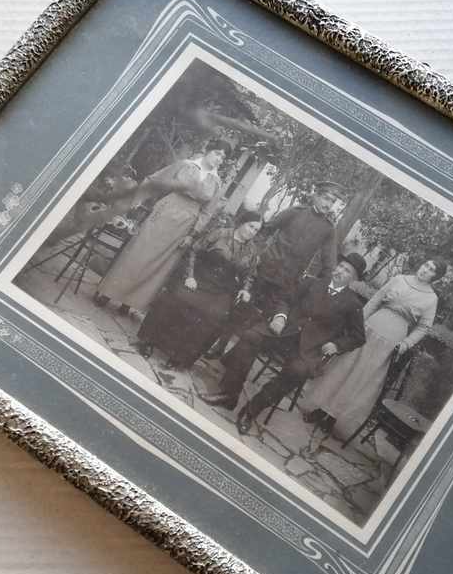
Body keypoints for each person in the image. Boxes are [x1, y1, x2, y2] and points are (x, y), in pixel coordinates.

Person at [202, 253, 368, 436]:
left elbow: (358, 336)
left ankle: (251, 411)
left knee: (297, 371)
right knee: (251, 336)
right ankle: (229, 394)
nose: (340, 271)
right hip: (283, 333)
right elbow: (286, 299)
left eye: (347, 271)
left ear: (353, 279)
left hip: (308, 349)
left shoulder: (352, 304)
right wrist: (281, 317)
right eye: (340, 266)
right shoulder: (312, 283)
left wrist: (337, 345)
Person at [303, 258, 445, 436]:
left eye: (431, 270)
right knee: (345, 367)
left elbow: (424, 327)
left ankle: (333, 418)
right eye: (426, 265)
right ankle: (320, 409)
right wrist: (357, 325)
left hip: (391, 340)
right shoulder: (399, 279)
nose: (425, 270)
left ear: (436, 277)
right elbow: (376, 300)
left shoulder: (431, 299)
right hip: (369, 328)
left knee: (363, 378)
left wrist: (406, 344)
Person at [94, 139, 230, 314]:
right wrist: (136, 200)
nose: (219, 159)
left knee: (157, 265)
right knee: (137, 253)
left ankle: (129, 303)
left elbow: (207, 212)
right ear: (208, 150)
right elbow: (155, 179)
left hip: (185, 225)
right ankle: (108, 293)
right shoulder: (185, 165)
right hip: (165, 212)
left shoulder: (217, 182)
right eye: (217, 153)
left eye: (223, 157)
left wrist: (192, 234)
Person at [132, 209, 263, 370]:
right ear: (242, 223)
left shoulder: (252, 251)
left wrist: (245, 289)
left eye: (256, 230)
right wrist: (189, 276)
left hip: (222, 289)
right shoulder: (220, 234)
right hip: (199, 278)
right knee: (174, 298)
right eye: (251, 226)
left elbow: (250, 275)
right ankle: (147, 341)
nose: (253, 232)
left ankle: (180, 356)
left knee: (215, 316)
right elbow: (193, 251)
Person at [249, 180, 341, 315]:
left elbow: (329, 264)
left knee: (260, 317)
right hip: (264, 270)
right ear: (315, 196)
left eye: (332, 201)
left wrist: (316, 287)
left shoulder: (328, 229)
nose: (328, 204)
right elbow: (265, 230)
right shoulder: (295, 212)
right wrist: (254, 254)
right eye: (325, 198)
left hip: (286, 282)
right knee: (243, 304)